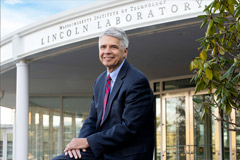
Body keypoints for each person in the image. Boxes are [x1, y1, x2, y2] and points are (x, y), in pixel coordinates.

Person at [52, 27, 155, 160]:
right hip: (101, 149)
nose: (107, 52)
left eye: (113, 47)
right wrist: (79, 142)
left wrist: (88, 142)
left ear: (125, 51)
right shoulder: (100, 80)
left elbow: (129, 128)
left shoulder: (137, 81)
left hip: (125, 153)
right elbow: (92, 119)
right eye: (103, 47)